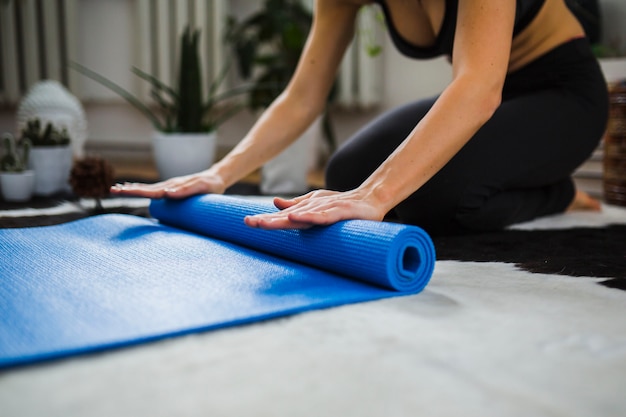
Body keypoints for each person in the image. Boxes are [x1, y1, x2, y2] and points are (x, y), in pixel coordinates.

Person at [112, 0, 608, 235]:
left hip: (562, 96)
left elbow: (478, 89)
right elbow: (304, 95)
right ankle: (530, 180)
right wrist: (220, 173)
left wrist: (377, 196)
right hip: (494, 98)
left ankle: (557, 193)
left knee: (429, 197)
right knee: (346, 174)